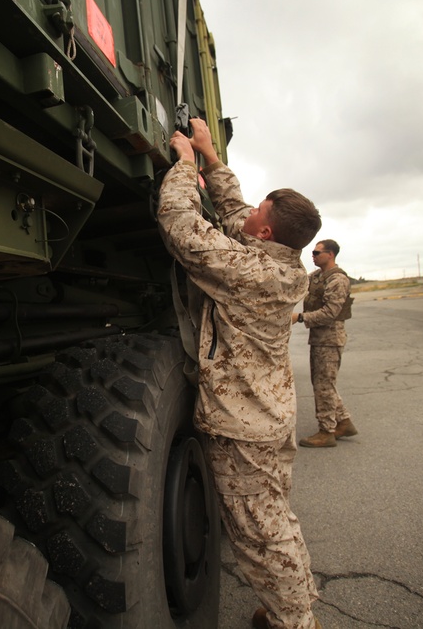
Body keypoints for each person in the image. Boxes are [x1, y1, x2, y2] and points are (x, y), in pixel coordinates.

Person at [157, 118, 323, 629]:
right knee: (275, 521)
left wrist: (186, 167)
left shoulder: (253, 271)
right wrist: (211, 156)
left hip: (244, 428)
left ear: (266, 231)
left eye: (259, 213)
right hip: (266, 421)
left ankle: (295, 622)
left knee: (262, 534)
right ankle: (288, 610)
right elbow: (233, 213)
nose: (248, 212)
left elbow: (182, 228)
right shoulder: (274, 260)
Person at [295, 239, 358, 448]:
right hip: (320, 339)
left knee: (323, 387)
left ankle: (326, 432)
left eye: (316, 252)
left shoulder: (337, 280)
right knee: (324, 384)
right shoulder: (318, 276)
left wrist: (301, 317)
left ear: (330, 254)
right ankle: (344, 422)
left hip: (330, 340)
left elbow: (330, 313)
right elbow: (299, 280)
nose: (313, 256)